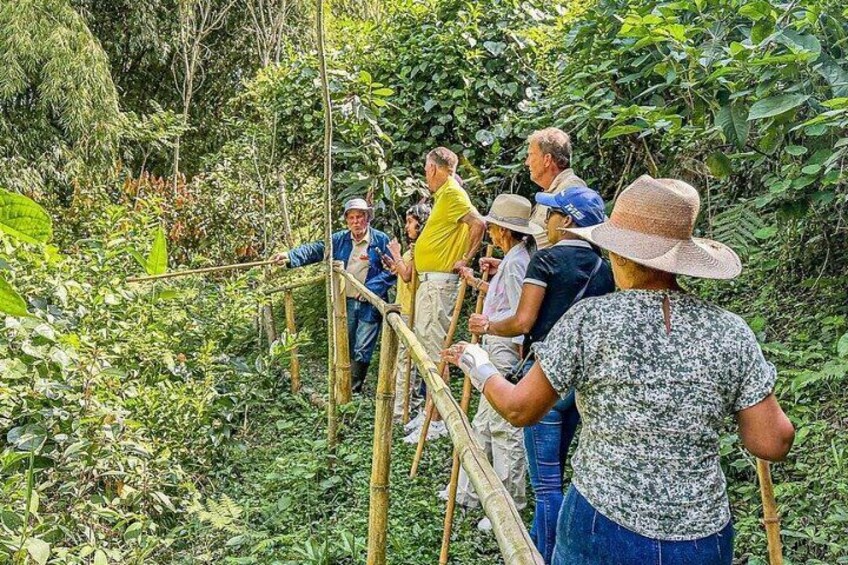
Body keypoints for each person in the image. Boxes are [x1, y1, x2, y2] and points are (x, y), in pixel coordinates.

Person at [444, 175, 795, 565]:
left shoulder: (592, 320)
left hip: (601, 523)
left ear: (621, 254)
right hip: (702, 535)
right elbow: (772, 441)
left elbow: (518, 409)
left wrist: (480, 367)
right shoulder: (731, 331)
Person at [467, 186, 613, 560]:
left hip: (543, 377)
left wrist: (487, 327)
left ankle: (545, 554)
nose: (545, 222)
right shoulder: (605, 269)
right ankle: (545, 546)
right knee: (558, 476)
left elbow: (523, 320)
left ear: (567, 221)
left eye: (550, 215)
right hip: (581, 383)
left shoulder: (546, 262)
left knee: (546, 486)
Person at [445, 194, 540, 531]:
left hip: (504, 349)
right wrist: (480, 282)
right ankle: (472, 491)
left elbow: (519, 314)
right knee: (484, 424)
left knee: (503, 427)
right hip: (495, 345)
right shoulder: (514, 260)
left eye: (494, 228)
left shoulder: (517, 263)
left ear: (504, 231)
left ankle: (509, 505)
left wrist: (491, 330)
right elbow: (504, 298)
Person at [403, 146, 486, 444]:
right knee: (428, 348)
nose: (425, 175)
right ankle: (431, 411)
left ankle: (439, 417)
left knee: (435, 350)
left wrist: (466, 258)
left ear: (434, 168)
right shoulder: (446, 194)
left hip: (439, 284)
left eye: (426, 169)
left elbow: (479, 223)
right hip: (430, 283)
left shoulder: (451, 193)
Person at [274, 198, 395, 393]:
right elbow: (317, 249)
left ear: (368, 218)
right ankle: (341, 386)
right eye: (352, 218)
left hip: (370, 304)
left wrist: (371, 289)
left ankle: (354, 389)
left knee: (363, 346)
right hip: (344, 301)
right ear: (347, 221)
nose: (356, 222)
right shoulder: (339, 239)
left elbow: (392, 269)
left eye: (360, 217)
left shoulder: (380, 240)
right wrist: (290, 256)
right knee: (344, 343)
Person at [386, 203, 431, 422]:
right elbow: (404, 273)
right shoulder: (413, 248)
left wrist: (395, 253)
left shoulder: (419, 247)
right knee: (405, 361)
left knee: (407, 361)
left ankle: (402, 412)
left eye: (410, 223)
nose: (407, 227)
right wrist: (395, 263)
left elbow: (408, 276)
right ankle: (407, 407)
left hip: (413, 310)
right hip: (405, 305)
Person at [525, 127, 587, 249]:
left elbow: (562, 240)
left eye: (531, 155)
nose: (527, 162)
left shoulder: (571, 189)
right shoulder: (553, 189)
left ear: (547, 159)